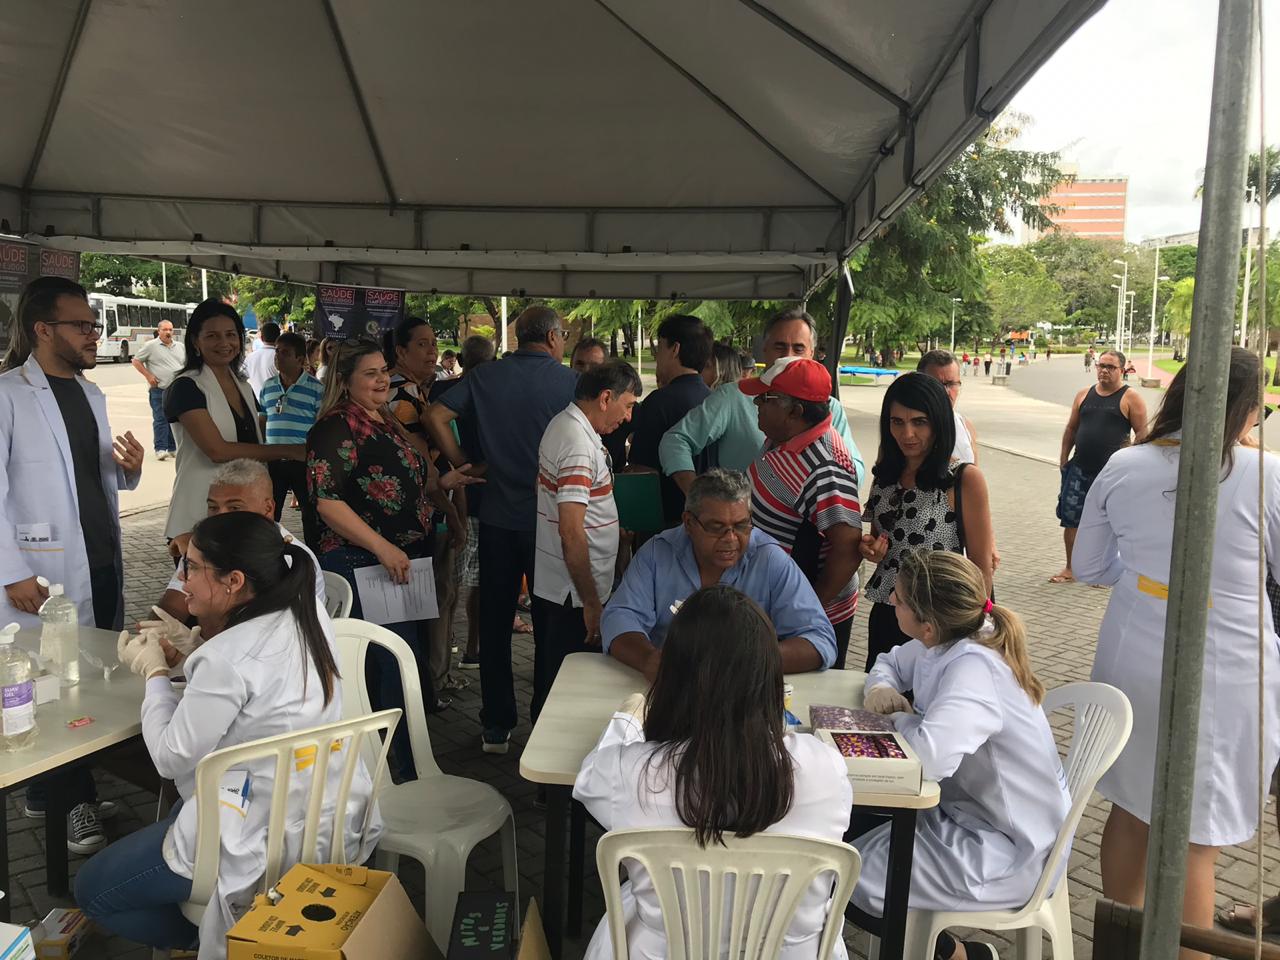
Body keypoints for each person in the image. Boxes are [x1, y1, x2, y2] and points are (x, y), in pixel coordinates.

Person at [79, 512, 381, 953]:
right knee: (178, 807)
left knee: (93, 890)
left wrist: (156, 674)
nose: (183, 583)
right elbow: (260, 689)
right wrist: (193, 650)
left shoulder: (227, 656)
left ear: (234, 581)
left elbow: (168, 756)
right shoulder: (306, 610)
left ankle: (221, 940)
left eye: (192, 567)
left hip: (255, 827)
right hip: (323, 810)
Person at [1073, 348, 1279, 960]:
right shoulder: (1264, 474)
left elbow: (1087, 566)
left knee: (1132, 808)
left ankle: (1120, 944)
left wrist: (1141, 575)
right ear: (1243, 407)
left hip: (1132, 648)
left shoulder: (1127, 462)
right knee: (1194, 835)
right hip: (1225, 659)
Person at [574, 585, 853, 960]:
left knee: (627, 901)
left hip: (661, 952)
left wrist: (629, 717)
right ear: (769, 676)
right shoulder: (824, 769)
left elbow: (591, 775)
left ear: (673, 676)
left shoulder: (632, 773)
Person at [850, 550, 1069, 960]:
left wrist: (900, 718)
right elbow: (890, 662)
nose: (891, 603)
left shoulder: (974, 668)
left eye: (897, 599)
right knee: (847, 835)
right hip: (968, 815)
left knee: (848, 875)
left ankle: (958, 956)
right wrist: (880, 687)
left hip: (1009, 846)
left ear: (928, 626)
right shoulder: (954, 637)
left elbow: (927, 760)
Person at [0, 276, 144, 853]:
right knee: (53, 684)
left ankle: (56, 789)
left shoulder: (91, 395)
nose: (95, 334)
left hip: (99, 559)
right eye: (82, 325)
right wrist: (11, 570)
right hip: (38, 573)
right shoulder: (8, 394)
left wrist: (128, 469)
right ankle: (70, 803)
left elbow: (95, 480)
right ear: (43, 330)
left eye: (93, 324)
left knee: (87, 684)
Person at [308, 338, 477, 777]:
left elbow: (401, 481)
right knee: (381, 668)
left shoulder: (380, 419)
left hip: (400, 562)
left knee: (401, 664)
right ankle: (388, 771)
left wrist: (445, 480)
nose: (383, 379)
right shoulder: (335, 427)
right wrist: (383, 547)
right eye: (370, 373)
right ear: (344, 381)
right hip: (363, 563)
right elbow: (327, 502)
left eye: (384, 370)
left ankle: (403, 760)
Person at [424, 305, 578, 754]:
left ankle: (496, 724)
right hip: (547, 523)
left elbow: (435, 416)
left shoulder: (485, 375)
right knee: (552, 623)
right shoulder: (569, 383)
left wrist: (463, 464)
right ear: (552, 337)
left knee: (493, 622)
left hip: (494, 517)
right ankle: (545, 724)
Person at [603, 468, 837, 680]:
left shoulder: (769, 559)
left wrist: (747, 660)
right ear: (688, 523)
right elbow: (618, 618)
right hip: (667, 686)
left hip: (744, 691)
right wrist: (648, 660)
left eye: (741, 525)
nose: (730, 538)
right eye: (716, 527)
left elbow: (819, 640)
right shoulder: (658, 553)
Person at [859, 373, 995, 672]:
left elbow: (981, 566)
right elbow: (878, 539)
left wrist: (975, 629)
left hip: (939, 619)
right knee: (881, 699)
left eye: (919, 422)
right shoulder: (885, 475)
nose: (907, 433)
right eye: (897, 422)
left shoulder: (962, 480)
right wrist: (872, 549)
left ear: (939, 422)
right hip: (888, 609)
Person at [533, 360, 641, 720]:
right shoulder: (578, 442)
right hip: (574, 593)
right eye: (628, 406)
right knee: (568, 685)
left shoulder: (569, 426)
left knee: (554, 676)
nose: (627, 418)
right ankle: (553, 770)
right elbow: (571, 529)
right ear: (606, 397)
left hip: (565, 587)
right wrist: (591, 601)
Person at [742, 358, 862, 669]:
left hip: (806, 614)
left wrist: (809, 610)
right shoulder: (785, 438)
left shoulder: (825, 467)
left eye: (765, 398)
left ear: (795, 411)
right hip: (779, 602)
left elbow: (848, 547)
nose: (756, 402)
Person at [660, 308, 865, 489]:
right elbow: (676, 440)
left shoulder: (830, 408)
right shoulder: (734, 396)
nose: (788, 355)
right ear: (764, 350)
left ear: (811, 353)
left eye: (799, 348)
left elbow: (855, 472)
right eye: (780, 346)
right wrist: (698, 495)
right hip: (742, 526)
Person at [162, 300, 304, 542]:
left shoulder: (244, 386)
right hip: (199, 516)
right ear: (196, 341)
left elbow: (256, 436)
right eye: (213, 336)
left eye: (231, 334)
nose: (224, 343)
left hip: (245, 514)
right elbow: (217, 451)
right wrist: (291, 450)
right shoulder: (185, 387)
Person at [384, 316, 467, 695]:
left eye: (434, 343)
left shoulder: (415, 391)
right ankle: (429, 685)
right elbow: (423, 465)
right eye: (422, 344)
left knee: (432, 598)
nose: (432, 351)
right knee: (431, 598)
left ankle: (429, 681)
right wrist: (450, 510)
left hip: (424, 509)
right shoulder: (401, 396)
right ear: (400, 351)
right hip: (421, 511)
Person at [154, 459, 325, 623]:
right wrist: (152, 638)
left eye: (235, 508)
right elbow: (170, 609)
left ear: (268, 508)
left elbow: (266, 636)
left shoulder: (285, 557)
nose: (221, 517)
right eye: (213, 507)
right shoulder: (203, 546)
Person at [1050, 348, 1148, 584]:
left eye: (1110, 367)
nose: (1104, 370)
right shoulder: (1084, 395)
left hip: (1113, 475)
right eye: (1101, 365)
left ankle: (1106, 571)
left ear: (1122, 370)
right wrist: (1064, 459)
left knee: (1113, 522)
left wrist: (1133, 466)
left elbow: (1143, 434)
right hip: (1080, 469)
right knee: (1072, 519)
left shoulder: (1130, 398)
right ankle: (1071, 568)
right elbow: (1071, 429)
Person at [438, 335, 498, 670]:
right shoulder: (496, 395)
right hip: (483, 497)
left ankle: (443, 657)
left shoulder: (442, 392)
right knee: (479, 581)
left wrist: (458, 465)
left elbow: (435, 421)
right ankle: (473, 648)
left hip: (449, 496)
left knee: (449, 586)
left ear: (460, 358)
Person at [625, 314, 712, 526]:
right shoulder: (714, 401)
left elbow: (643, 474)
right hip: (708, 521)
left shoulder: (659, 402)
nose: (656, 355)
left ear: (675, 349)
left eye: (660, 347)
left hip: (665, 526)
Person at [258, 332, 323, 541]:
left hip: (302, 461)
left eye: (285, 353)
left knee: (310, 512)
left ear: (300, 359)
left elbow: (322, 426)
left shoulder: (316, 389)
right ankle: (269, 550)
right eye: (277, 352)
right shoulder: (268, 386)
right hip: (273, 460)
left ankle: (315, 556)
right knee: (269, 510)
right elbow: (262, 420)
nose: (278, 357)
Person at [131, 319, 185, 460]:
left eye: (170, 330)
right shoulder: (151, 346)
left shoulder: (180, 347)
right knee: (160, 418)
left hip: (176, 390)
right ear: (159, 331)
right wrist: (148, 375)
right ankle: (160, 448)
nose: (168, 333)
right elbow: (136, 361)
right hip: (159, 389)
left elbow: (185, 364)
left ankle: (173, 448)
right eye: (165, 330)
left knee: (174, 419)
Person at [916, 349, 978, 465]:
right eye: (936, 385)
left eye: (951, 384)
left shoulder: (966, 427)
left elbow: (976, 474)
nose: (944, 392)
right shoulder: (905, 431)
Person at [243, 320, 280, 399]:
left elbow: (241, 379)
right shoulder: (281, 357)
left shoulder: (250, 358)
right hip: (277, 405)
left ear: (261, 338)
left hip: (256, 405)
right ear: (279, 338)